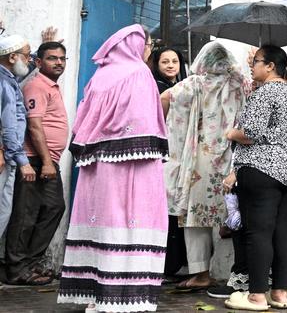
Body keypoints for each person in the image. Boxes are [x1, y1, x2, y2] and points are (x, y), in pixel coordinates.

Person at [56, 25, 169, 312]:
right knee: (129, 222)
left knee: (102, 227)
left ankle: (96, 296)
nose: (149, 51)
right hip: (133, 167)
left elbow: (81, 123)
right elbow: (143, 123)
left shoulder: (99, 77)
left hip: (97, 168)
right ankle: (122, 298)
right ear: (134, 45)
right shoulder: (138, 74)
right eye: (148, 45)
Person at [221, 45, 287, 312]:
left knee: (258, 232)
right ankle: (279, 293)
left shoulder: (266, 91)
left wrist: (231, 133)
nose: (252, 65)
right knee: (282, 232)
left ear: (270, 66)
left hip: (262, 169)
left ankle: (257, 295)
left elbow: (251, 132)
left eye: (256, 61)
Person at [159, 41, 247, 292]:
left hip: (200, 160)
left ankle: (201, 273)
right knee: (235, 213)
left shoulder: (195, 83)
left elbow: (166, 97)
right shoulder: (239, 85)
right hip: (233, 158)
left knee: (195, 217)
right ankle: (240, 272)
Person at [6, 39, 69, 285]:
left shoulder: (51, 85)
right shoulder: (36, 86)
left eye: (62, 58)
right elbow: (34, 126)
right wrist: (45, 162)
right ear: (38, 61)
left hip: (47, 159)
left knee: (53, 208)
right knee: (26, 214)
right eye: (53, 58)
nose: (59, 63)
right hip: (35, 159)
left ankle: (30, 263)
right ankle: (16, 268)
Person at [149, 45, 188, 277]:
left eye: (175, 61)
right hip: (164, 155)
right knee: (165, 209)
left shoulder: (183, 87)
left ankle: (174, 262)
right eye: (165, 61)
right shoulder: (156, 89)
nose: (171, 65)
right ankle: (164, 264)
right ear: (157, 64)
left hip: (182, 154)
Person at [0, 32, 30, 244]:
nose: (30, 60)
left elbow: (21, 71)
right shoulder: (3, 83)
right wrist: (23, 161)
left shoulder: (9, 78)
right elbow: (9, 125)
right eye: (27, 56)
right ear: (12, 57)